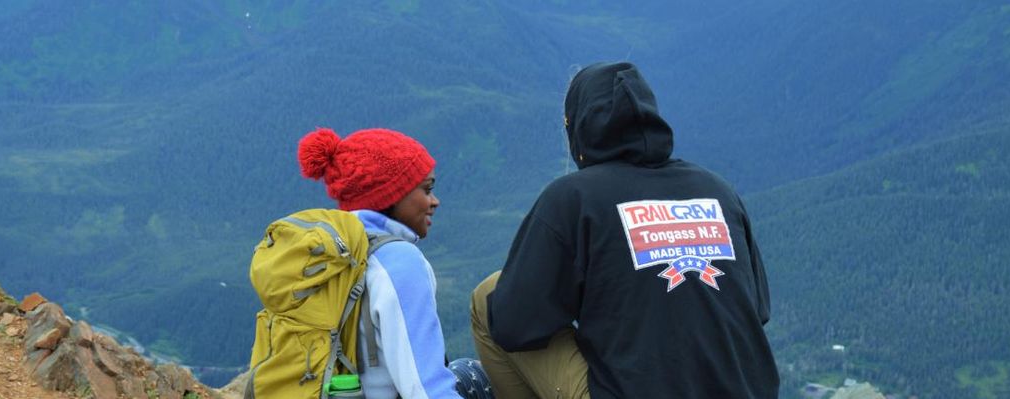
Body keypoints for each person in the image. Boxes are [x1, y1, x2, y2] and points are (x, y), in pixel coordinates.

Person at [469, 61, 779, 398]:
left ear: (578, 127)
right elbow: (758, 310)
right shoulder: (718, 191)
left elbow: (514, 324)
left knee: (488, 297)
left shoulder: (573, 198)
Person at [298, 127, 465, 399]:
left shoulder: (325, 251)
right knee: (471, 375)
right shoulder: (399, 261)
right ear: (390, 195)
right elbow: (426, 387)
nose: (434, 201)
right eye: (426, 189)